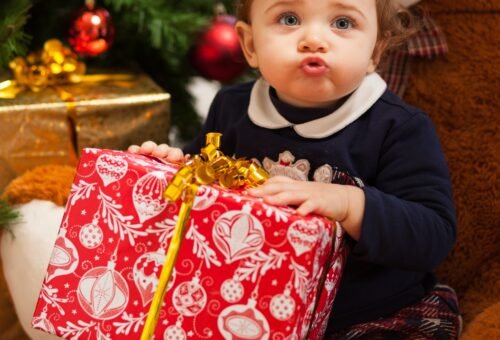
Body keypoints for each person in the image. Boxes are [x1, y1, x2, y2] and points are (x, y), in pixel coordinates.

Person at [129, 0, 461, 338]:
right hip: (251, 305)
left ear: (375, 50)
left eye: (343, 23)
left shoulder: (398, 127)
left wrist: (349, 204)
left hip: (369, 313)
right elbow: (202, 183)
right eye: (289, 18)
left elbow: (433, 233)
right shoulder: (232, 109)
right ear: (251, 45)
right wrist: (171, 165)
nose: (314, 39)